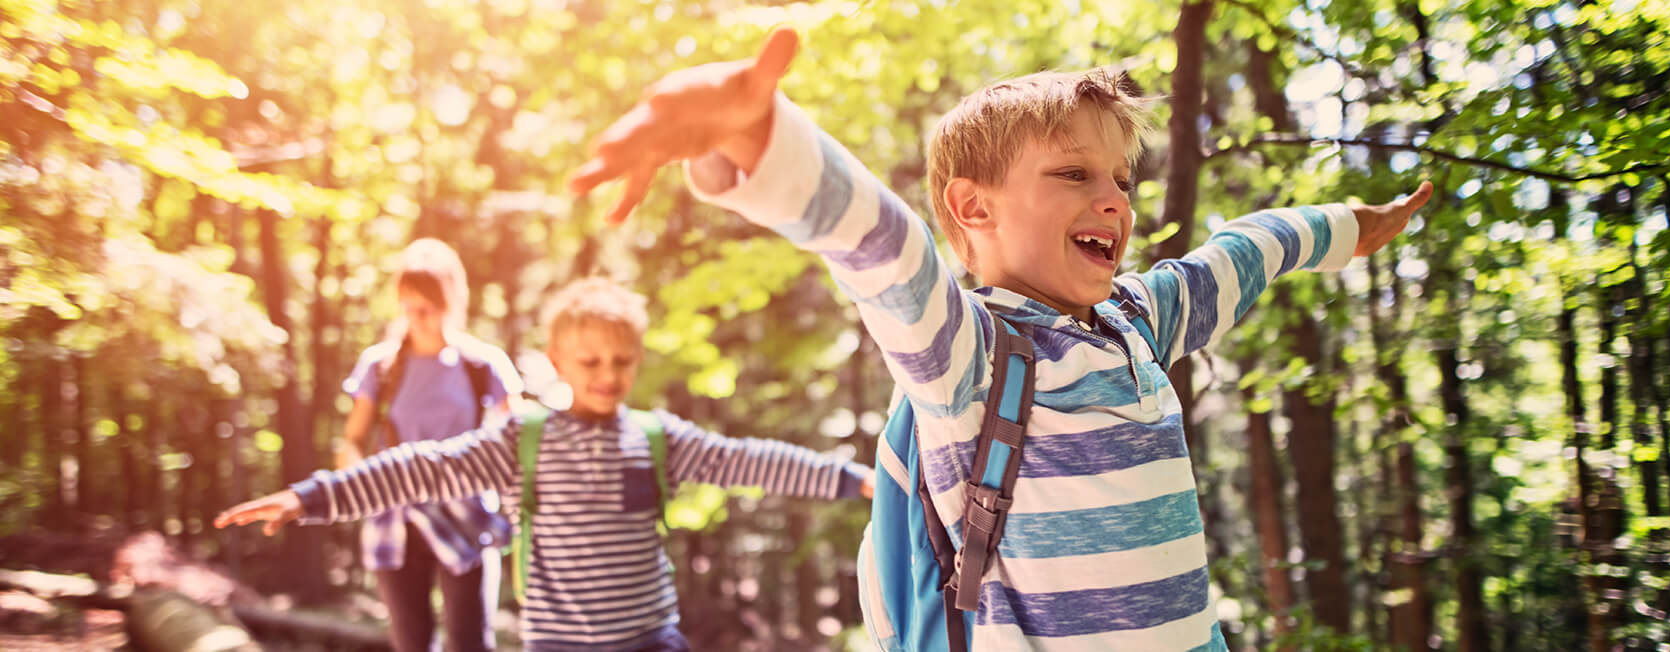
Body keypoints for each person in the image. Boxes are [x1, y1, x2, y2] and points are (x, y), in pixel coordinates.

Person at [568, 28, 1431, 651]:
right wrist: (760, 140)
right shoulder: (967, 356)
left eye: (1120, 180)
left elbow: (1247, 250)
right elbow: (882, 246)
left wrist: (1352, 226)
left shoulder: (1140, 318)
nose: (1115, 201)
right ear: (974, 208)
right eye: (1073, 174)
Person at [218, 276, 874, 651]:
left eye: (621, 362)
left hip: (652, 640)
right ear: (557, 363)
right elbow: (418, 468)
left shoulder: (655, 439)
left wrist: (853, 479)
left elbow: (749, 462)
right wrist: (312, 497)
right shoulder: (519, 442)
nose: (607, 375)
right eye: (589, 362)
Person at [337, 237, 522, 652]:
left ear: (451, 302)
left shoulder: (483, 365)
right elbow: (352, 439)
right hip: (396, 522)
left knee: (470, 641)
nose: (417, 318)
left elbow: (521, 436)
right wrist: (355, 481)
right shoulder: (379, 366)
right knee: (411, 641)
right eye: (408, 308)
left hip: (468, 518)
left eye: (428, 308)